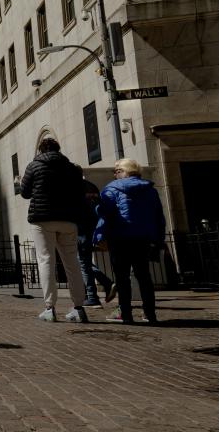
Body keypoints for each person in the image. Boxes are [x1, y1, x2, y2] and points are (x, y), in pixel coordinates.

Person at [19, 137, 88, 323]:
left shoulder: (33, 166)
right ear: (59, 149)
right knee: (72, 262)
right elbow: (79, 192)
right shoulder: (72, 168)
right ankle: (79, 307)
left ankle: (50, 308)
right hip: (68, 219)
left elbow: (25, 192)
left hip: (42, 219)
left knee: (45, 261)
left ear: (40, 150)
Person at [95, 158, 165, 325]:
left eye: (116, 171)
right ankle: (150, 314)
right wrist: (158, 239)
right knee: (144, 277)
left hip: (119, 238)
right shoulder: (150, 190)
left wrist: (99, 235)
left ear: (123, 172)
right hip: (143, 238)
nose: (114, 174)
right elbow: (158, 217)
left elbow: (105, 213)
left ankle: (125, 313)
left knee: (122, 277)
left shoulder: (111, 189)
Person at [77, 179, 116, 308]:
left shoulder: (75, 186)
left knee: (83, 263)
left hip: (80, 228)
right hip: (92, 227)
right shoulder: (91, 186)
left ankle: (92, 296)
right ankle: (105, 283)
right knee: (83, 261)